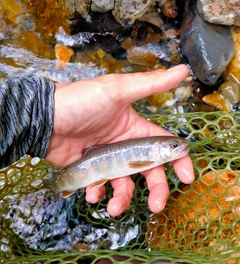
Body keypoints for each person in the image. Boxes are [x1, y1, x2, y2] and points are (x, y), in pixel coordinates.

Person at [0, 64, 194, 216]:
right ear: (155, 149)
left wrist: (43, 115)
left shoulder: (149, 155)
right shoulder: (146, 159)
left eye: (174, 145)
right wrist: (43, 113)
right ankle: (54, 188)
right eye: (174, 145)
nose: (179, 146)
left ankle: (54, 188)